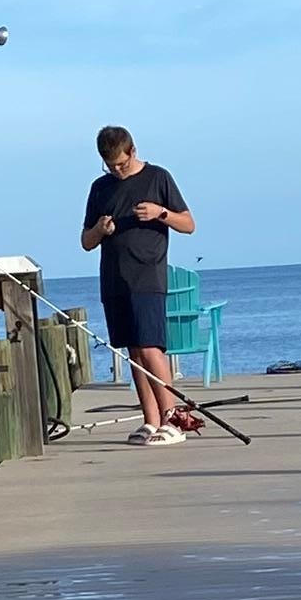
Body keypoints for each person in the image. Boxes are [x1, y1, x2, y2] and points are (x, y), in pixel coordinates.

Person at [81, 125, 197, 445]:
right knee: (133, 350)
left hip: (148, 275)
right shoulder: (100, 188)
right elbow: (86, 241)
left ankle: (172, 418)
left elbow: (188, 224)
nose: (117, 171)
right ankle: (151, 421)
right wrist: (101, 230)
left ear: (132, 151)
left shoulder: (158, 177)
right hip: (114, 278)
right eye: (110, 166)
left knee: (150, 346)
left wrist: (161, 213)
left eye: (121, 164)